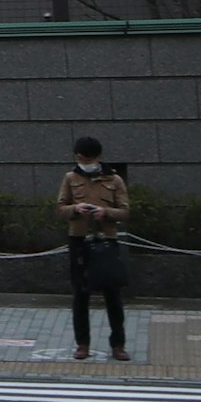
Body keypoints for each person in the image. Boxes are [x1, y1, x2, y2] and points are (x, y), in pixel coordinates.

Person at [57, 134, 131, 360]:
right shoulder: (70, 178)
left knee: (112, 294)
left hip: (107, 239)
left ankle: (118, 344)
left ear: (96, 157)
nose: (82, 161)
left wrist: (106, 213)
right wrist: (75, 209)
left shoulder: (114, 180)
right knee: (80, 293)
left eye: (85, 157)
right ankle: (83, 344)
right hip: (79, 239)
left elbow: (126, 211)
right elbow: (60, 207)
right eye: (79, 157)